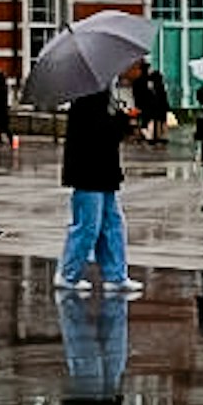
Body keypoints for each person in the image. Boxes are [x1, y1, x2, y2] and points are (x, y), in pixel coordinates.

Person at [57, 74, 136, 293]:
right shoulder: (88, 101)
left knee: (112, 224)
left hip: (103, 171)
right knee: (88, 226)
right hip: (89, 172)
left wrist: (120, 118)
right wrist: (120, 120)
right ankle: (68, 273)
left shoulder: (99, 98)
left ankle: (116, 275)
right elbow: (99, 133)